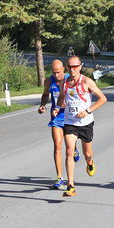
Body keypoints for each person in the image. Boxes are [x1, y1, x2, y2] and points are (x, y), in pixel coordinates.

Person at [53, 56, 107, 197]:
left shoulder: (87, 81)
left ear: (80, 66)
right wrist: (58, 107)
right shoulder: (64, 82)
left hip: (85, 123)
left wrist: (87, 111)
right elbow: (62, 98)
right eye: (70, 67)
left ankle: (90, 162)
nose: (72, 69)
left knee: (87, 154)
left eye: (75, 66)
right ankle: (71, 185)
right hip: (70, 122)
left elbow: (103, 98)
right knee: (69, 151)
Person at [38, 59, 80, 190]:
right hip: (56, 118)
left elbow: (75, 99)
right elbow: (45, 95)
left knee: (70, 147)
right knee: (57, 145)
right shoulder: (49, 82)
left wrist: (64, 106)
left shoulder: (70, 80)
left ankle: (75, 148)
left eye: (59, 72)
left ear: (64, 69)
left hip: (69, 118)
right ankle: (59, 177)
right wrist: (43, 105)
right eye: (54, 73)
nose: (57, 76)